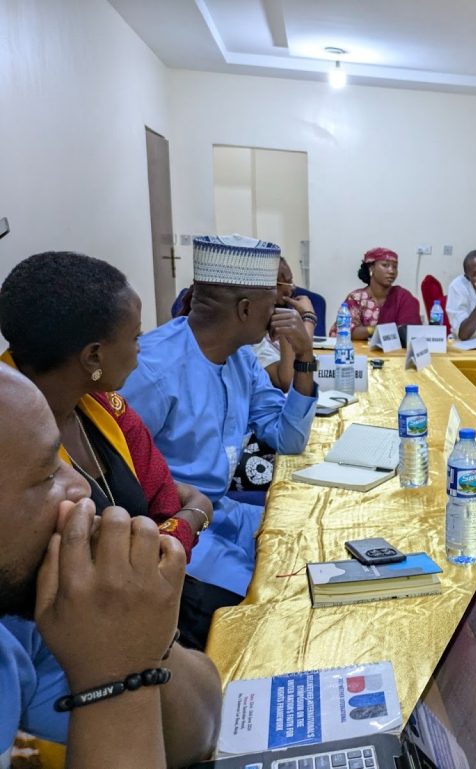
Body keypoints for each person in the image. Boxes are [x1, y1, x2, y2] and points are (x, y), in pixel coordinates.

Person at [0, 366, 221, 769]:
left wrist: (139, 641)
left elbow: (195, 737)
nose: (80, 488)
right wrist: (116, 679)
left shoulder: (21, 620)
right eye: (48, 474)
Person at [120, 235, 318, 620]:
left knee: (312, 543)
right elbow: (120, 484)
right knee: (269, 606)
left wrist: (305, 355)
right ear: (245, 309)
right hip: (176, 527)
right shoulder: (153, 371)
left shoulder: (240, 359)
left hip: (223, 510)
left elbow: (288, 439)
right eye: (272, 304)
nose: (278, 311)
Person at [0, 252, 213, 563]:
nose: (140, 347)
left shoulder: (105, 406)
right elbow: (99, 563)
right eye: (135, 336)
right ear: (93, 357)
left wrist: (179, 523)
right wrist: (195, 514)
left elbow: (163, 497)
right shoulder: (11, 441)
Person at [254, 257, 318, 392]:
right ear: (270, 286)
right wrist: (309, 319)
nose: (293, 287)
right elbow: (290, 382)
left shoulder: (271, 321)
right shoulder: (251, 336)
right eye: (288, 282)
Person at [332, 247, 421, 340]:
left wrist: (365, 331)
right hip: (359, 349)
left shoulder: (403, 298)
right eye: (385, 265)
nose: (391, 271)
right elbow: (344, 331)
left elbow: (412, 333)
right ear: (371, 268)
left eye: (395, 267)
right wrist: (375, 330)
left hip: (396, 350)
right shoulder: (356, 298)